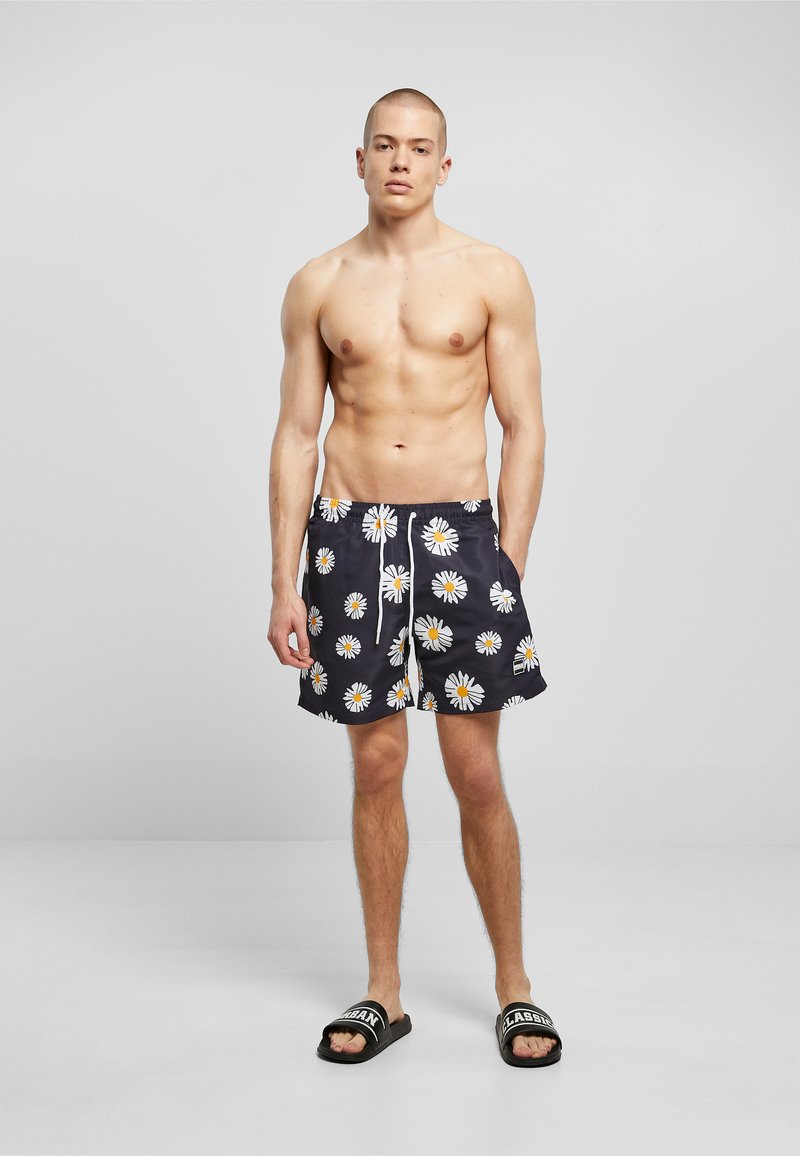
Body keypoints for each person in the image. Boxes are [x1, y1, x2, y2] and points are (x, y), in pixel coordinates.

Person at [267, 88, 563, 1068]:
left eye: (419, 147)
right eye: (384, 145)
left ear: (444, 165)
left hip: (457, 537)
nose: (401, 161)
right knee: (376, 765)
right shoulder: (318, 283)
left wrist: (506, 561)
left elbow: (523, 425)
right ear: (358, 160)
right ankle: (383, 992)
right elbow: (295, 435)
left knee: (474, 769)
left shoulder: (490, 274)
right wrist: (282, 582)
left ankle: (514, 989)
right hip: (350, 534)